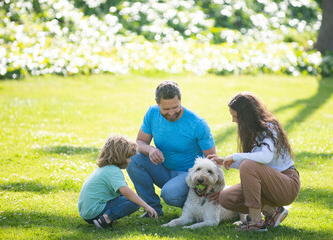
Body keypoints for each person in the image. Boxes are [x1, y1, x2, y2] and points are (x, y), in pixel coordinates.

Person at [208, 91, 300, 232]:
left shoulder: (270, 128)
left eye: (235, 116)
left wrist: (235, 156)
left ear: (247, 116)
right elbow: (253, 165)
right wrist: (227, 161)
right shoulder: (251, 131)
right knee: (225, 198)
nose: (233, 120)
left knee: (248, 164)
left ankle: (256, 222)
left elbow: (264, 158)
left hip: (287, 184)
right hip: (268, 185)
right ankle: (272, 211)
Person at [126, 80, 216, 217]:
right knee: (133, 158)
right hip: (162, 169)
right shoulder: (152, 113)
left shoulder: (197, 123)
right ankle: (153, 209)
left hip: (189, 175)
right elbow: (139, 142)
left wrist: (216, 190)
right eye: (166, 109)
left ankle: (198, 208)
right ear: (158, 104)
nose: (172, 113)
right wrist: (150, 150)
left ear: (180, 100)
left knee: (169, 194)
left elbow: (212, 159)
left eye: (175, 107)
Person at [78, 135, 158, 229]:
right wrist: (146, 206)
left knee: (127, 197)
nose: (130, 161)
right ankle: (105, 219)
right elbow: (125, 191)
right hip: (94, 211)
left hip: (87, 213)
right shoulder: (114, 171)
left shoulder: (103, 168)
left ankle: (108, 217)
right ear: (120, 157)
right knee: (135, 202)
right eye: (128, 157)